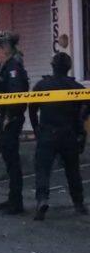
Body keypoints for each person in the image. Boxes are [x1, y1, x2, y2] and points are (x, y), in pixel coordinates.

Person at [29, 52, 89, 221]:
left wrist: (36, 129)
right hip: (68, 134)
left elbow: (32, 109)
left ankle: (42, 200)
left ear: (52, 66)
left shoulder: (42, 85)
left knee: (42, 169)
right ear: (68, 68)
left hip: (47, 133)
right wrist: (81, 119)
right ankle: (78, 203)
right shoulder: (76, 87)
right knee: (73, 170)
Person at [0, 31, 29, 215]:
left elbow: (15, 97)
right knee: (9, 161)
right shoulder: (6, 67)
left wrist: (8, 117)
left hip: (9, 121)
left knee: (13, 162)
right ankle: (12, 197)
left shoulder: (13, 68)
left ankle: (17, 202)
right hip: (3, 119)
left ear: (4, 50)